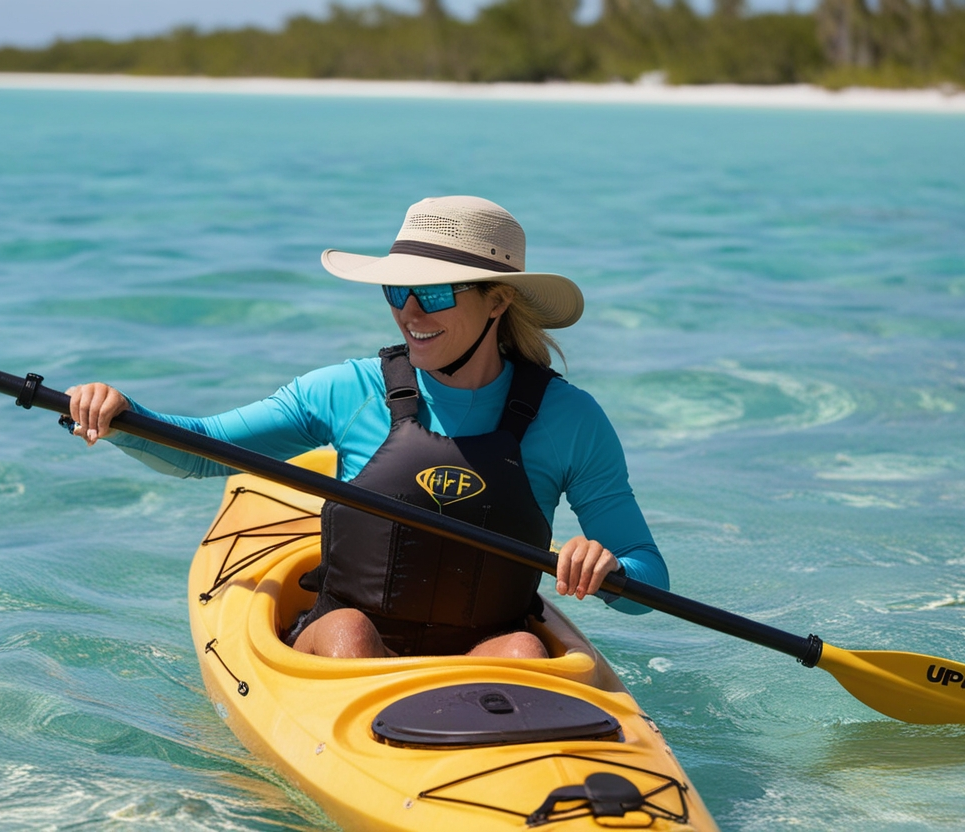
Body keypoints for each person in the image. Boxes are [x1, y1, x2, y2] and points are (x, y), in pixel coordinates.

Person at [67, 196, 668, 660]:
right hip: (340, 639)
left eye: (431, 292)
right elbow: (201, 451)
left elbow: (648, 570)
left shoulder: (572, 419)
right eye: (395, 289)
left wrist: (608, 570)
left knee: (522, 649)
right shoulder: (346, 390)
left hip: (487, 647)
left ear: (497, 301)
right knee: (353, 633)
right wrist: (120, 416)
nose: (409, 311)